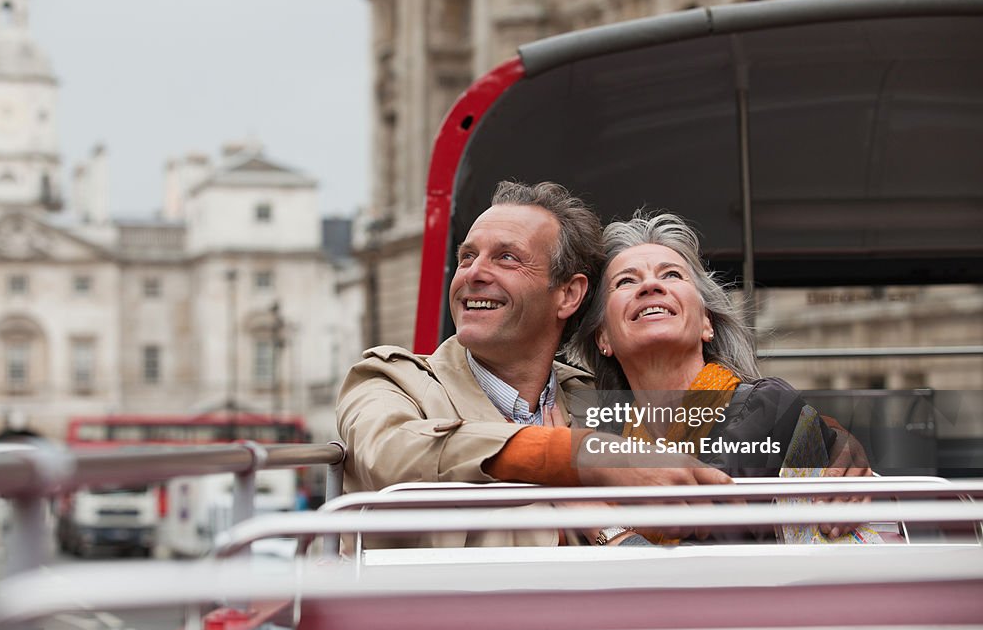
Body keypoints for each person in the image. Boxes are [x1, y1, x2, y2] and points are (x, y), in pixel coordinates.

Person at [337, 182, 731, 548]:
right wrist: (582, 455)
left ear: (568, 295)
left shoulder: (597, 398)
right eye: (467, 257)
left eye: (506, 258)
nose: (473, 274)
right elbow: (389, 454)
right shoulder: (388, 379)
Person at [567, 210, 872, 540]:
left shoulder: (767, 407)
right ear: (603, 338)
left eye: (671, 275)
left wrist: (602, 524)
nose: (651, 285)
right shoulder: (604, 435)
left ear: (706, 323)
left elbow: (717, 552)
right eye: (626, 281)